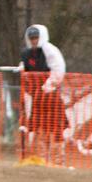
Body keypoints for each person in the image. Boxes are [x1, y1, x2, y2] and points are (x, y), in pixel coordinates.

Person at [19, 24, 67, 164]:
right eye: (31, 38)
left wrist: (47, 86)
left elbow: (58, 69)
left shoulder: (50, 50)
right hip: (37, 99)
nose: (34, 40)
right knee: (39, 130)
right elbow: (26, 74)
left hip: (52, 97)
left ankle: (58, 161)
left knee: (56, 130)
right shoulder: (26, 54)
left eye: (36, 37)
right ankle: (41, 160)